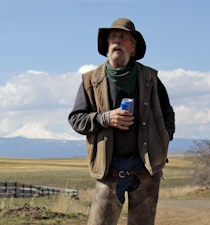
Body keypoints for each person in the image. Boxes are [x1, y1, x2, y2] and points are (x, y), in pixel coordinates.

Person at [68, 18, 175, 225]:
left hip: (145, 171)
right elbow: (76, 120)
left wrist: (164, 139)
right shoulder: (91, 80)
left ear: (133, 47)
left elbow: (168, 114)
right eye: (113, 37)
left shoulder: (150, 78)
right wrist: (106, 118)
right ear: (107, 45)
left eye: (123, 37)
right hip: (109, 170)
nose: (117, 41)